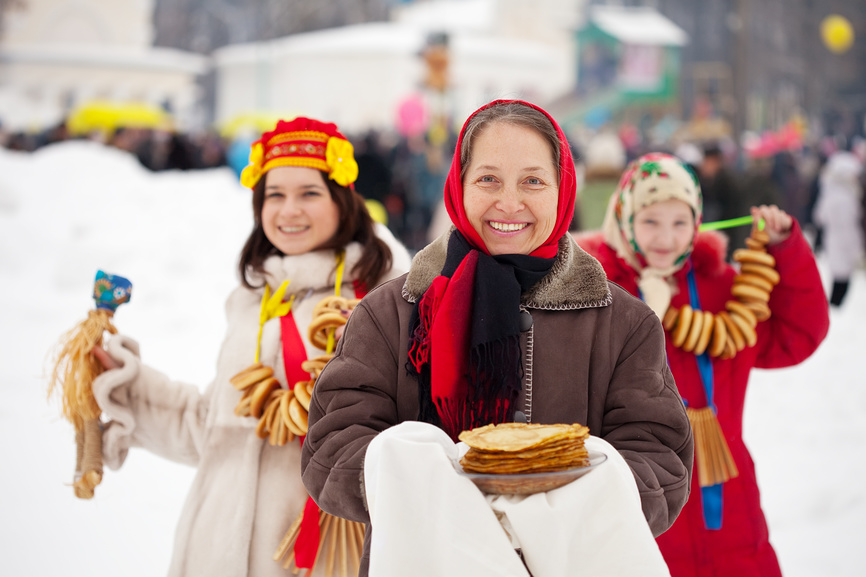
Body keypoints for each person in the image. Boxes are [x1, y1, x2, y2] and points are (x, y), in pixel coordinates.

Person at [301, 100, 694, 576]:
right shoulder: (392, 313)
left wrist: (554, 504)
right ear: (459, 186)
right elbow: (330, 450)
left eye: (533, 180)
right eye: (488, 179)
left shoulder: (624, 323)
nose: (510, 203)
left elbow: (660, 460)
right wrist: (429, 487)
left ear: (563, 189)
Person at [88, 117, 412, 577]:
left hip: (319, 555)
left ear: (343, 201)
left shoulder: (387, 300)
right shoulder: (252, 301)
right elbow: (213, 429)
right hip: (212, 553)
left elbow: (409, 436)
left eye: (309, 193)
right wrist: (126, 385)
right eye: (274, 195)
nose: (288, 211)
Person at [575, 152, 830, 576]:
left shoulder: (723, 288)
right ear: (623, 219)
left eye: (680, 222)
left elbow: (796, 336)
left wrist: (786, 251)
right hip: (641, 500)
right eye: (651, 220)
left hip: (728, 502)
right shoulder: (599, 293)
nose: (666, 238)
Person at [812, 148, 864, 306]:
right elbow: (851, 224)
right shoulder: (847, 197)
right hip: (845, 241)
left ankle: (835, 304)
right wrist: (857, 249)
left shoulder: (829, 193)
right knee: (843, 277)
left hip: (833, 240)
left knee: (838, 275)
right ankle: (836, 306)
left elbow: (818, 217)